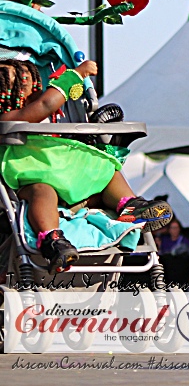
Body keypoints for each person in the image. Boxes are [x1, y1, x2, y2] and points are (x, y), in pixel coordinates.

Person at [0, 58, 172, 272]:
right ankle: (53, 239)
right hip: (30, 180)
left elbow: (44, 105)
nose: (29, 82)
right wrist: (75, 75)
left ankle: (130, 206)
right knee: (42, 192)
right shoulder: (7, 118)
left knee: (105, 169)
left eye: (31, 77)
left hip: (68, 182)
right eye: (19, 80)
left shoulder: (46, 119)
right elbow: (45, 104)